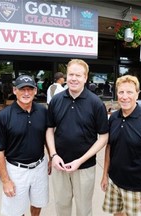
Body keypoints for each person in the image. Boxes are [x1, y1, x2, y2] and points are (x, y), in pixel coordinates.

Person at [46, 59, 109, 216]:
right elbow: (49, 129)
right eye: (71, 74)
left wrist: (80, 161)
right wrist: (53, 155)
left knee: (84, 209)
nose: (74, 78)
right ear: (66, 76)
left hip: (85, 167)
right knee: (61, 206)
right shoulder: (56, 100)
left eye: (78, 75)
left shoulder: (96, 103)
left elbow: (103, 137)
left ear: (85, 77)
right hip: (59, 165)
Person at [101, 75, 141, 216]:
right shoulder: (113, 117)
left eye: (129, 92)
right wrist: (105, 175)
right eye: (121, 92)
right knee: (117, 214)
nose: (125, 97)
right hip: (114, 182)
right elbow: (109, 148)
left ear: (137, 93)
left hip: (136, 188)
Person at [0, 75, 50, 216]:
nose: (26, 93)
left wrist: (51, 157)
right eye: (22, 89)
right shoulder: (3, 117)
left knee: (38, 202)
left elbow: (47, 136)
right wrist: (5, 181)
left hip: (39, 167)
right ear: (14, 90)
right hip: (16, 170)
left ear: (36, 91)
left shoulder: (43, 112)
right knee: (15, 210)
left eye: (30, 89)